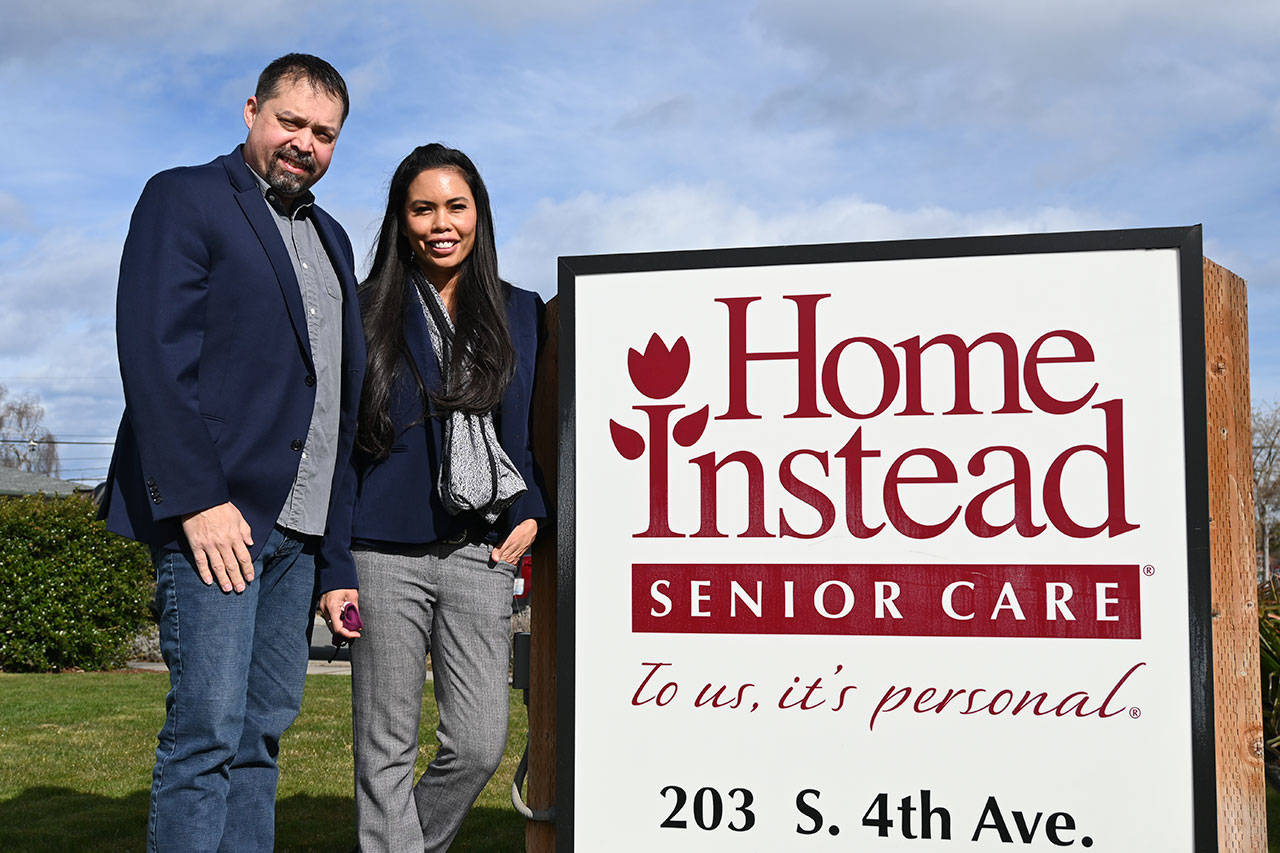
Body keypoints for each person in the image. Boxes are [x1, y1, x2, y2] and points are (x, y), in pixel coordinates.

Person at [99, 54, 365, 852]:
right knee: (206, 733)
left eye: (324, 134)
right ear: (252, 110)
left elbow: (339, 398)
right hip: (219, 519)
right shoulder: (183, 196)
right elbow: (152, 351)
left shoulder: (334, 237)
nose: (304, 144)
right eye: (291, 122)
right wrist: (196, 499)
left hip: (301, 529)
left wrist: (337, 556)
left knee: (261, 737)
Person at [322, 143, 547, 852]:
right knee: (383, 748)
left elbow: (530, 432)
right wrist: (334, 568)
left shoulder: (522, 311)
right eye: (423, 208)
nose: (440, 222)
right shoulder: (362, 311)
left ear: (479, 214)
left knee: (480, 741)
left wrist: (533, 504)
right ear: (401, 219)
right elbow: (334, 450)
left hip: (481, 548)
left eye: (456, 206)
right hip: (380, 553)